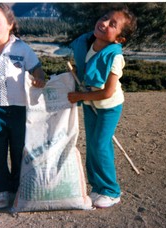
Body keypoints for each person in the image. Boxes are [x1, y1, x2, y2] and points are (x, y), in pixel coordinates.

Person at [0, 3, 45, 209]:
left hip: (20, 110)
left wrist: (39, 79)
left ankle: (19, 187)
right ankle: (0, 190)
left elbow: (38, 70)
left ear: (10, 24)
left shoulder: (22, 49)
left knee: (20, 149)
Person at [68, 8, 137, 208]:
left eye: (112, 25)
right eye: (105, 18)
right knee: (92, 145)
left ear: (120, 39)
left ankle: (112, 191)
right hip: (91, 104)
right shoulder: (89, 45)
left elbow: (107, 93)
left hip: (108, 107)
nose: (105, 23)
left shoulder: (115, 57)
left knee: (100, 145)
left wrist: (80, 96)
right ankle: (97, 187)